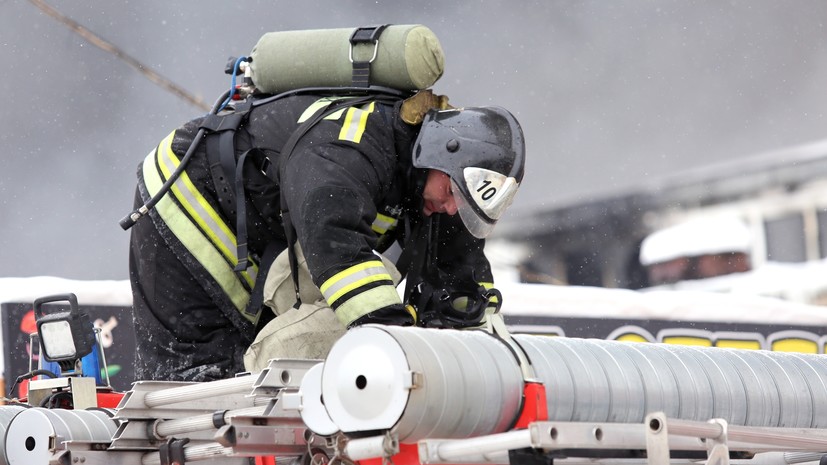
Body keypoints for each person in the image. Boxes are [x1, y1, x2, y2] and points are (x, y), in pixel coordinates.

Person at [127, 89, 526, 382]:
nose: (453, 208)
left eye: (467, 206)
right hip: (185, 199)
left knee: (258, 381)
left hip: (262, 230)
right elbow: (338, 249)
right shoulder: (349, 149)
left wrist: (501, 365)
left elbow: (463, 286)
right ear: (442, 154)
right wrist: (403, 351)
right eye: (454, 193)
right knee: (200, 388)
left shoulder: (440, 187)